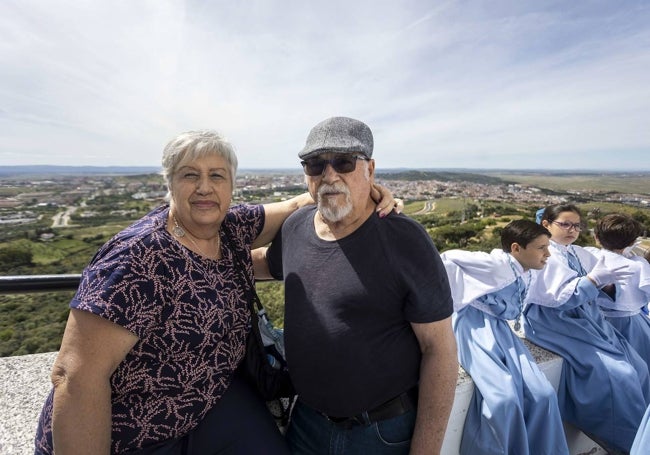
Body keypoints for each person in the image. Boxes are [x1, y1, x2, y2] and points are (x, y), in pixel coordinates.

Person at [33, 129, 400, 455]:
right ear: (170, 183)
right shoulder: (138, 258)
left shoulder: (231, 227)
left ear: (231, 185)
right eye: (190, 175)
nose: (205, 187)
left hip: (204, 404)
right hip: (131, 433)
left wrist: (368, 190)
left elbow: (297, 204)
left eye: (217, 176)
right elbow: (74, 376)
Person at [254, 116, 458, 455]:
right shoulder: (296, 227)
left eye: (344, 162)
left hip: (380, 431)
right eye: (316, 164)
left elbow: (440, 350)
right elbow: (265, 263)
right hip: (306, 423)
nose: (330, 175)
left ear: (370, 169)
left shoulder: (404, 239)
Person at [523, 203, 650, 453]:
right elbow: (559, 296)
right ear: (546, 224)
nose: (572, 230)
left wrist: (607, 284)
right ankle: (624, 441)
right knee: (619, 374)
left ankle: (640, 438)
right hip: (555, 320)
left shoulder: (576, 251)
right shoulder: (545, 253)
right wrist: (593, 281)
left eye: (577, 225)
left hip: (583, 316)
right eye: (565, 224)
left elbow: (604, 275)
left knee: (640, 367)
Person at [441, 219, 569, 455]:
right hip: (474, 329)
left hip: (501, 330)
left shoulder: (528, 270)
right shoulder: (496, 263)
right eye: (541, 247)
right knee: (503, 399)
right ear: (516, 248)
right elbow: (446, 258)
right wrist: (454, 299)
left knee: (544, 394)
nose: (548, 254)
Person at [587, 213, 650, 362]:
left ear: (597, 237)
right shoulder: (638, 264)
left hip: (594, 322)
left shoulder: (590, 256)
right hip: (631, 324)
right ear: (633, 241)